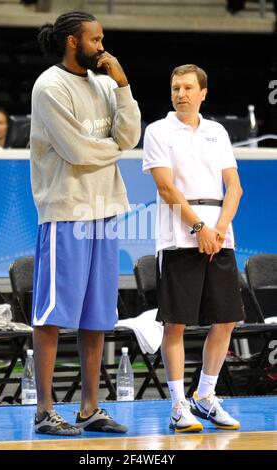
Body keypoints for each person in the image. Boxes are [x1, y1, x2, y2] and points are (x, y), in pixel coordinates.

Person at [30, 10, 141, 435]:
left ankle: (89, 408)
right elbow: (77, 150)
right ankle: (44, 411)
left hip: (106, 208)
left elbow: (130, 135)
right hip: (65, 212)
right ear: (73, 42)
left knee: (97, 316)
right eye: (96, 39)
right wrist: (113, 147)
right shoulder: (49, 86)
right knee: (52, 314)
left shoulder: (103, 82)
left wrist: (124, 84)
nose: (103, 46)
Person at [143, 64, 243, 433]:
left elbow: (234, 187)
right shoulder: (157, 131)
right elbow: (167, 189)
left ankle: (205, 396)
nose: (180, 93)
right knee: (176, 324)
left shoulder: (218, 132)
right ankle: (177, 405)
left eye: (187, 87)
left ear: (203, 92)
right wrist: (198, 227)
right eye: (175, 87)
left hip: (220, 236)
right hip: (178, 239)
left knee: (226, 319)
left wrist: (217, 229)